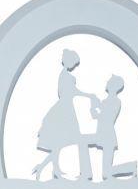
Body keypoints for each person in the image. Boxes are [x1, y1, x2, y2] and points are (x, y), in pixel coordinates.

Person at [32, 49, 98, 180]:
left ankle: (48, 168)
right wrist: (89, 95)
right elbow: (71, 92)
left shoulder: (65, 75)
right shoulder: (65, 76)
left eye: (75, 63)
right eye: (73, 62)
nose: (74, 65)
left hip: (66, 108)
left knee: (61, 143)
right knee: (64, 142)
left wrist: (87, 95)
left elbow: (71, 92)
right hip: (64, 110)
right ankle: (52, 169)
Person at [87, 75, 137, 180]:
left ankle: (131, 167)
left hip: (108, 136)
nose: (107, 83)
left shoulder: (116, 102)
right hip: (101, 135)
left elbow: (107, 118)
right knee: (84, 142)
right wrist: (93, 107)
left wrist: (97, 108)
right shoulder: (105, 101)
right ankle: (131, 167)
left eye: (109, 81)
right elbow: (96, 116)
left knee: (106, 174)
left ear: (114, 85)